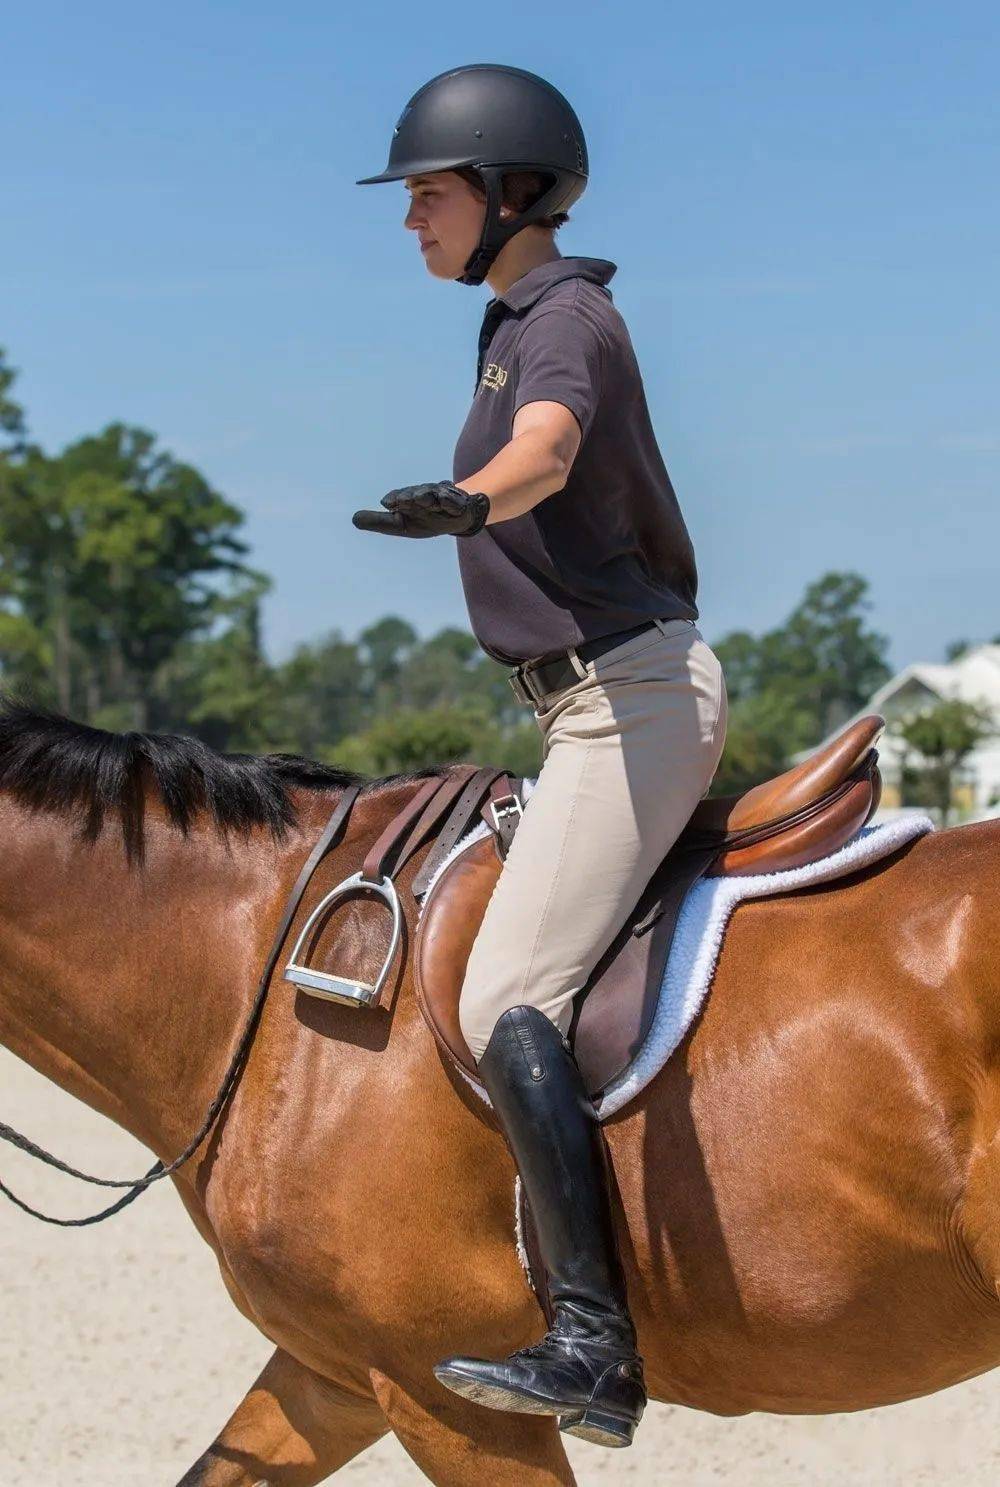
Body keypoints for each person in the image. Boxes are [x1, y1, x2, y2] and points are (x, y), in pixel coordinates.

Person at [353, 63, 728, 1449]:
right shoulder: (517, 318)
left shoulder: (561, 317)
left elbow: (551, 448)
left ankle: (592, 1343)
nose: (412, 222)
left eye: (430, 195)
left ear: (511, 194)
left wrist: (468, 500)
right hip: (580, 706)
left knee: (512, 985)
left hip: (628, 701)